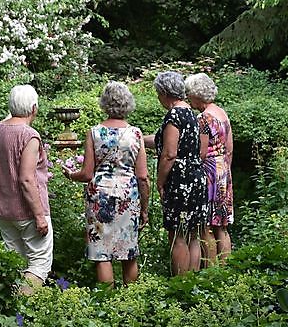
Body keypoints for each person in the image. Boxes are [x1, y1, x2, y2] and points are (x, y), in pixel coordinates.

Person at [62, 81, 149, 286]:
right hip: (128, 196)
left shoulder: (94, 133)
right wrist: (144, 209)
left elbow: (86, 174)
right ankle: (131, 301)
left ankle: (106, 304)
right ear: (128, 104)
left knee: (102, 253)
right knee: (129, 251)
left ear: (104, 104)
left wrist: (70, 175)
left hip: (99, 197)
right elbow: (143, 176)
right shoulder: (136, 134)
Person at [0, 84, 53, 294]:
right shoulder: (29, 136)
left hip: (4, 211)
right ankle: (21, 311)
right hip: (27, 211)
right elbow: (27, 179)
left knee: (16, 264)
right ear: (34, 108)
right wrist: (39, 216)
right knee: (39, 265)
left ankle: (8, 314)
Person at [151, 71, 208, 275]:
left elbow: (169, 153)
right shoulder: (192, 114)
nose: (158, 98)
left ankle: (179, 282)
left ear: (165, 93)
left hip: (180, 179)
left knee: (177, 235)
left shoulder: (174, 115)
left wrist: (160, 181)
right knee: (193, 233)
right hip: (196, 176)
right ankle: (192, 281)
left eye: (158, 93)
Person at [185, 73, 233, 265]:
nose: (189, 98)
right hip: (223, 169)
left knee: (205, 225)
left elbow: (201, 153)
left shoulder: (203, 118)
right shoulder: (222, 113)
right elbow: (229, 148)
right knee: (222, 225)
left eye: (190, 94)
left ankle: (212, 272)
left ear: (197, 95)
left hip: (209, 172)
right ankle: (225, 268)